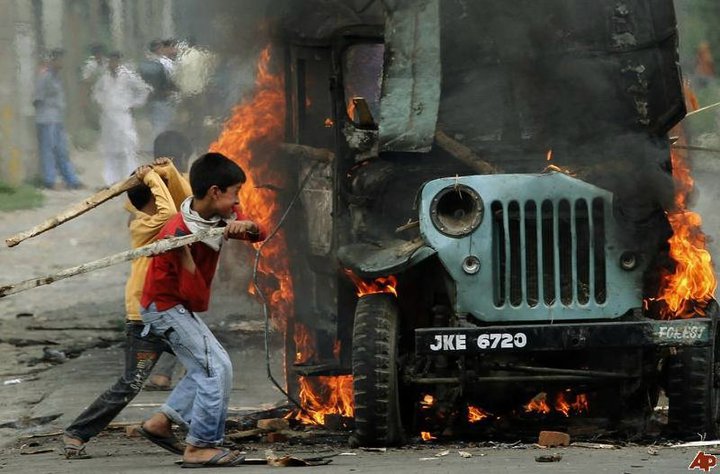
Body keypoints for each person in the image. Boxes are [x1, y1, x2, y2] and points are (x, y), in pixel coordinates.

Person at [137, 152, 263, 468]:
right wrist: (186, 258)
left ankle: (161, 423)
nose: (237, 202)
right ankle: (201, 445)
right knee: (213, 369)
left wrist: (245, 226)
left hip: (175, 307)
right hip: (165, 308)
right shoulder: (177, 236)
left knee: (213, 365)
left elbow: (258, 232)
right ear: (215, 192)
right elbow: (194, 298)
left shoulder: (216, 216)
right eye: (234, 193)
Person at [62, 157, 192, 459]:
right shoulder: (144, 224)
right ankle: (77, 432)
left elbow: (184, 204)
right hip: (145, 317)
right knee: (130, 383)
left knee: (208, 369)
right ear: (153, 199)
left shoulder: (163, 218)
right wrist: (150, 178)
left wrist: (167, 172)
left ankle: (194, 432)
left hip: (172, 312)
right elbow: (172, 211)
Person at [93, 51, 152, 187]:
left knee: (128, 146)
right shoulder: (103, 77)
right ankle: (111, 180)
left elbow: (144, 90)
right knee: (110, 149)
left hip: (123, 115)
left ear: (119, 62)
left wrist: (133, 104)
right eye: (110, 61)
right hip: (108, 117)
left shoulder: (129, 76)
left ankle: (130, 178)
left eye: (115, 61)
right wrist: (102, 103)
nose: (112, 64)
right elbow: (96, 92)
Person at [33, 48, 83, 190]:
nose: (62, 62)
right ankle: (50, 181)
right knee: (48, 150)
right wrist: (44, 111)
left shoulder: (57, 77)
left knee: (62, 150)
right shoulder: (45, 76)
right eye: (59, 59)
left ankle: (71, 180)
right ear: (53, 60)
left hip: (57, 118)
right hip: (47, 119)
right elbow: (37, 98)